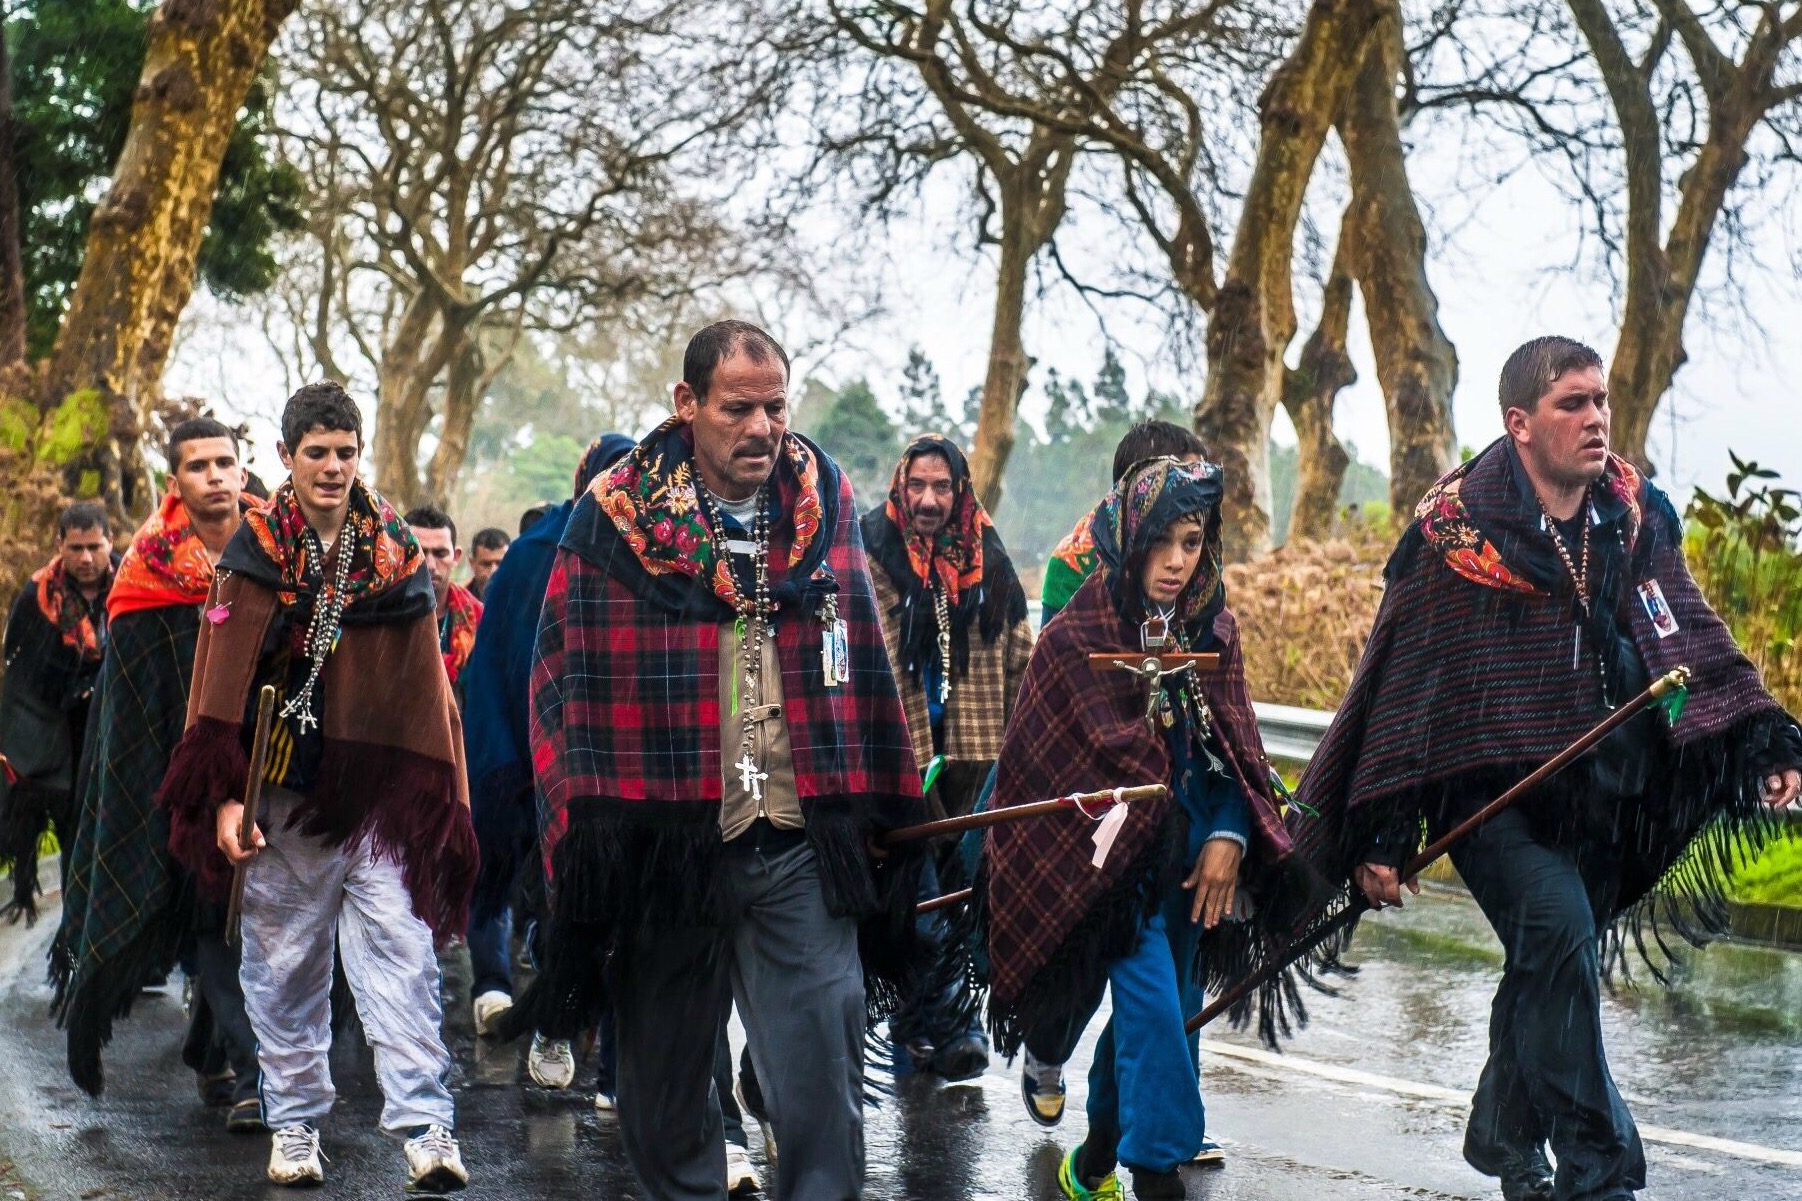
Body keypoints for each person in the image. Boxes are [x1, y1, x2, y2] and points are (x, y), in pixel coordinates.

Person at [1299, 336, 1802, 1201]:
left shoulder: (1633, 514)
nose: (1597, 418)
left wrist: (1761, 738)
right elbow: (1406, 690)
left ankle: (1502, 1130)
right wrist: (1381, 833)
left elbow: (1686, 630)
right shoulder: (1453, 536)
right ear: (1520, 424)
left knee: (1550, 959)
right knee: (1560, 930)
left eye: (1600, 399)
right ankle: (1600, 1172)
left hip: (1606, 794)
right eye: (1573, 403)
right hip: (1488, 798)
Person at [526, 320, 925, 1200]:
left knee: (823, 1083)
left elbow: (865, 665)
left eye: (775, 407)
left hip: (796, 841)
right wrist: (589, 845)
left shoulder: (824, 501)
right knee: (663, 1101)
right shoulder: (616, 515)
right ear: (687, 403)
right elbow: (564, 686)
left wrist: (876, 809)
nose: (762, 428)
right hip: (668, 849)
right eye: (738, 408)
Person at [157, 382, 478, 1191]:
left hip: (379, 797)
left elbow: (426, 689)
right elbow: (216, 690)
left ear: (359, 454)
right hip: (284, 796)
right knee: (286, 966)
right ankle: (295, 1125)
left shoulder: (397, 554)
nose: (333, 467)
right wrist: (226, 798)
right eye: (317, 452)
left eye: (345, 452)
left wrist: (433, 797)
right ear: (286, 456)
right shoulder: (254, 553)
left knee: (404, 954)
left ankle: (427, 1127)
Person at [982, 456, 1305, 1201]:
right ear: (1128, 537)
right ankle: (1159, 1176)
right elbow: (1037, 772)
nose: (1176, 561)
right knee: (1158, 1015)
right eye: (1160, 542)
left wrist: (1229, 834)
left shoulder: (1212, 626)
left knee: (1162, 1025)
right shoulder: (1074, 638)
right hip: (1109, 874)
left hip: (1195, 869)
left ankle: (1094, 1159)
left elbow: (1234, 753)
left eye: (1191, 542)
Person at [50, 419, 264, 1129]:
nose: (214, 475)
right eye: (198, 465)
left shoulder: (274, 547)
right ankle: (247, 1073)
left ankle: (214, 1050)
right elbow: (133, 691)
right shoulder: (148, 567)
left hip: (265, 760)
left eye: (225, 462)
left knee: (244, 915)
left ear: (242, 470)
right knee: (205, 905)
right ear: (175, 482)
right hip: (172, 768)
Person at [460, 436, 633, 1099]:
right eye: (607, 478)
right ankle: (556, 1020)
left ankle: (616, 1073)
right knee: (559, 909)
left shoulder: (656, 553)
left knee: (628, 917)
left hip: (626, 768)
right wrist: (508, 765)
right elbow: (496, 667)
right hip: (543, 770)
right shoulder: (535, 555)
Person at [861, 434, 1032, 1081]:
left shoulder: (987, 556)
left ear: (959, 492)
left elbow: (1021, 657)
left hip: (969, 767)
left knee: (956, 904)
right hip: (895, 761)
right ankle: (959, 1030)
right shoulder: (870, 550)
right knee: (922, 902)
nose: (928, 500)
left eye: (942, 487)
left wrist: (1025, 747)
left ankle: (916, 1036)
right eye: (918, 486)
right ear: (900, 486)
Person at [1, 501, 114, 919]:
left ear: (110, 542)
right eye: (76, 548)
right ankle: (74, 932)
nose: (86, 558)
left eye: (94, 547)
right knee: (73, 832)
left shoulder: (134, 584)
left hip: (113, 727)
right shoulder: (37, 597)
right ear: (59, 545)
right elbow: (20, 674)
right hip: (57, 738)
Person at [1040, 420, 1206, 628]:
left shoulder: (1203, 562)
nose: (1177, 562)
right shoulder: (1073, 566)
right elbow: (1057, 646)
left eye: (1203, 484)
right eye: (1182, 482)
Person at [404, 505, 484, 689]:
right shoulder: (378, 614)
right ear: (400, 552)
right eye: (419, 552)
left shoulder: (480, 618)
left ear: (456, 557)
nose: (430, 565)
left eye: (440, 554)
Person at [466, 527, 510, 600]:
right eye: (486, 564)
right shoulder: (458, 601)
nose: (493, 571)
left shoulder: (525, 599)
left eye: (500, 564)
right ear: (472, 563)